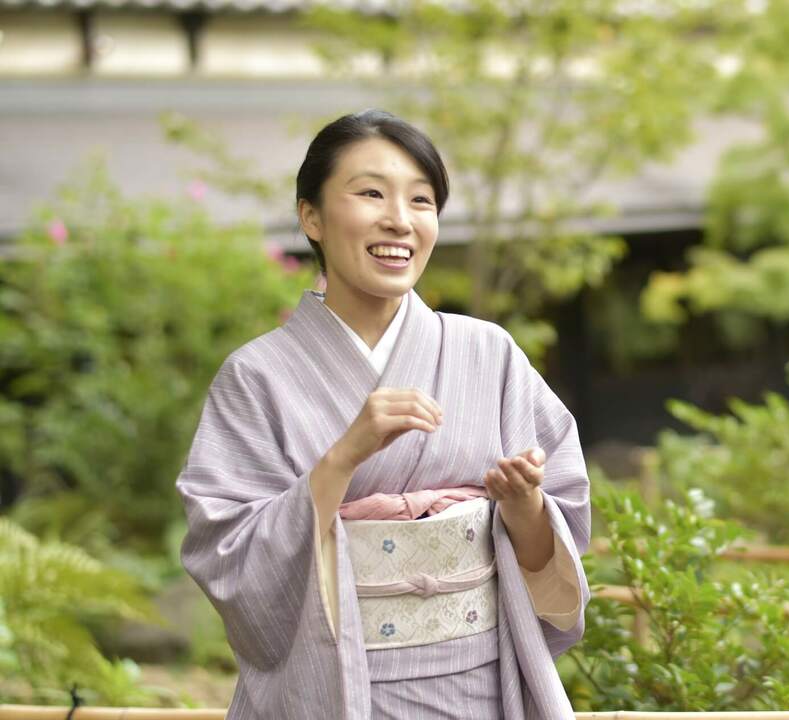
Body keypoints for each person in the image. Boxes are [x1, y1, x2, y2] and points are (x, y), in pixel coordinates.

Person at [176, 109, 589, 720]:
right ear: (311, 216)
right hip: (335, 691)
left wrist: (524, 506)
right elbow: (228, 554)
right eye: (371, 193)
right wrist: (343, 456)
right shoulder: (256, 376)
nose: (400, 219)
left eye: (421, 200)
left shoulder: (490, 354)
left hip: (480, 689)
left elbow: (555, 554)